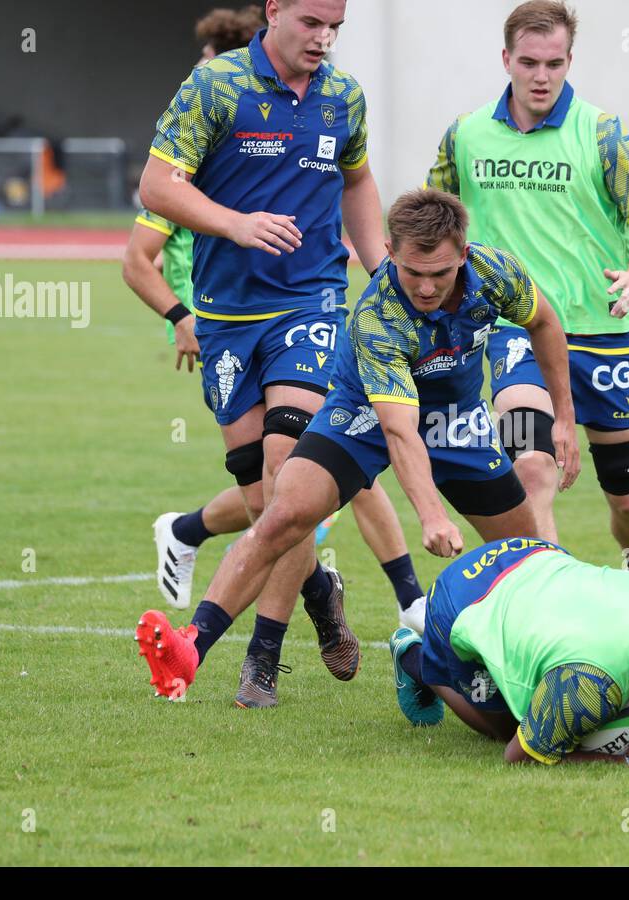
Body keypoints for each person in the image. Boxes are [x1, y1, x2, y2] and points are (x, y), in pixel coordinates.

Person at [134, 188, 581, 702]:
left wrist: (564, 417)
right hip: (363, 412)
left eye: (440, 273)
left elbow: (545, 323)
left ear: (464, 253)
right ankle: (191, 647)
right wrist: (431, 515)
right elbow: (399, 431)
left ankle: (536, 666)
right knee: (283, 514)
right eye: (413, 272)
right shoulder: (378, 315)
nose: (427, 287)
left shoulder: (496, 272)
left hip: (457, 418)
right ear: (389, 252)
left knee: (526, 558)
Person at [135, 0, 422, 707]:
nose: (324, 39)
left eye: (336, 27)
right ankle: (323, 593)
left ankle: (260, 660)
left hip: (313, 307)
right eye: (312, 23)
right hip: (228, 320)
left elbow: (356, 181)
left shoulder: (343, 96)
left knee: (285, 467)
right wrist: (235, 224)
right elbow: (156, 186)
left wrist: (380, 267)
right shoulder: (217, 87)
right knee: (271, 506)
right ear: (274, 11)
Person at [426, 0, 629, 576]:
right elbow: (432, 219)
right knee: (532, 467)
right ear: (507, 59)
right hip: (515, 331)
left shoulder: (602, 133)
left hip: (601, 333)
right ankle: (553, 605)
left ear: (569, 61)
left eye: (555, 63)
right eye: (530, 63)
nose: (542, 77)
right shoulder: (465, 135)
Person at [388, 537, 629, 765]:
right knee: (509, 728)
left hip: (532, 555)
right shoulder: (589, 684)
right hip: (463, 598)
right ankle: (416, 657)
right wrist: (628, 759)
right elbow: (518, 756)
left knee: (549, 714)